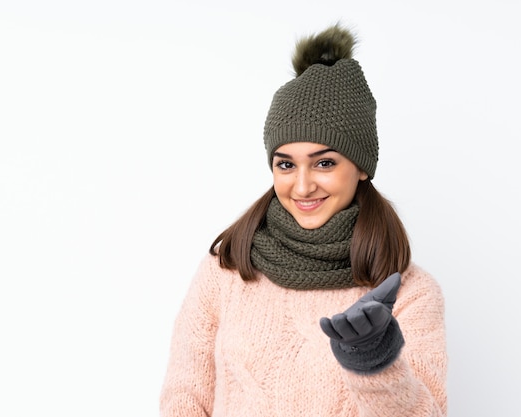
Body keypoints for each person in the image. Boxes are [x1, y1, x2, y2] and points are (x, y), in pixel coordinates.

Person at [160, 24, 447, 416]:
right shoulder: (224, 272)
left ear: (361, 167)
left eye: (324, 163)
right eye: (285, 164)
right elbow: (184, 400)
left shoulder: (412, 293)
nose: (302, 185)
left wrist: (374, 364)